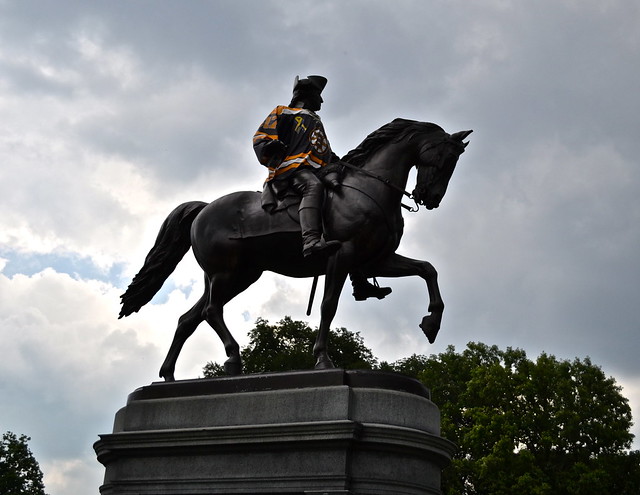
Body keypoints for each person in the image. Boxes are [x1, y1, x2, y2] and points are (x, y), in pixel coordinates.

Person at [253, 75, 391, 301]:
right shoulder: (283, 112)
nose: (322, 102)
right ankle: (310, 240)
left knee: (348, 210)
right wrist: (270, 146)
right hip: (292, 170)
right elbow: (261, 137)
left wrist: (343, 164)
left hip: (317, 168)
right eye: (319, 95)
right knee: (312, 186)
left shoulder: (316, 120)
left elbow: (322, 151)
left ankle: (360, 282)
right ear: (306, 95)